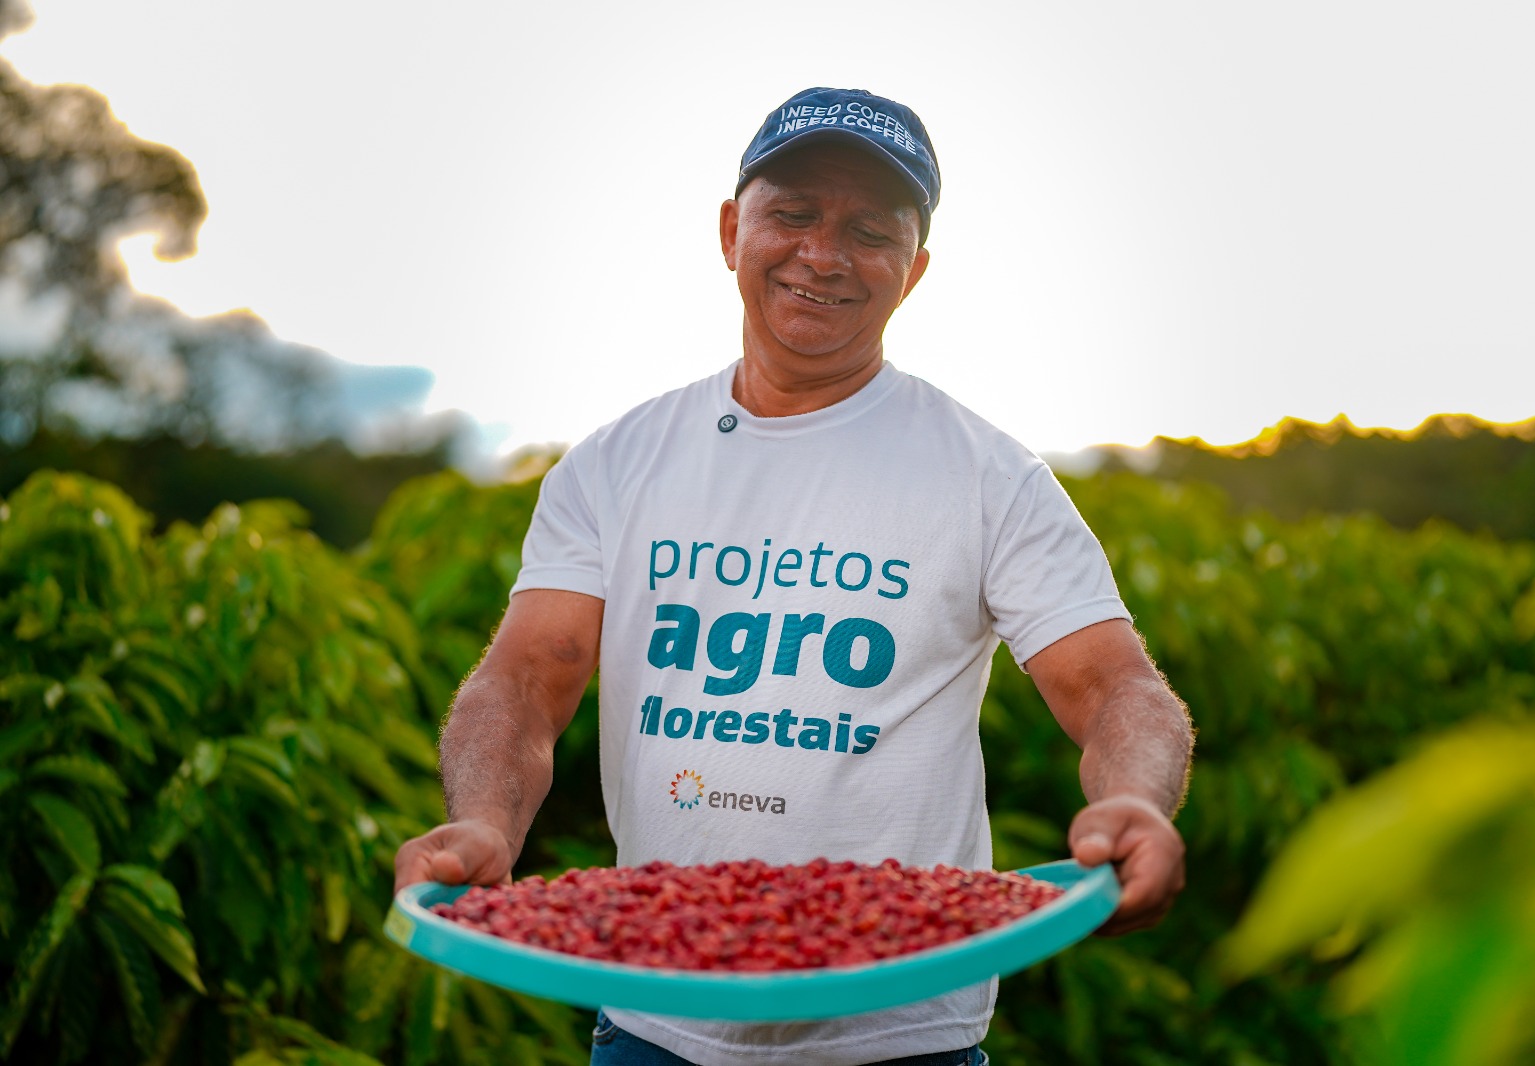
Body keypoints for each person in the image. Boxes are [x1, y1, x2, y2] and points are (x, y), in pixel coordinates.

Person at [394, 86, 1193, 1066]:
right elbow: (522, 680)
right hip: (655, 1017)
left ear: (915, 269)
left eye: (868, 229)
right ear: (733, 230)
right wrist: (480, 820)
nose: (823, 254)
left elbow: (1117, 685)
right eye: (794, 214)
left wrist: (1137, 800)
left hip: (901, 1033)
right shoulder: (615, 462)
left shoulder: (989, 476)